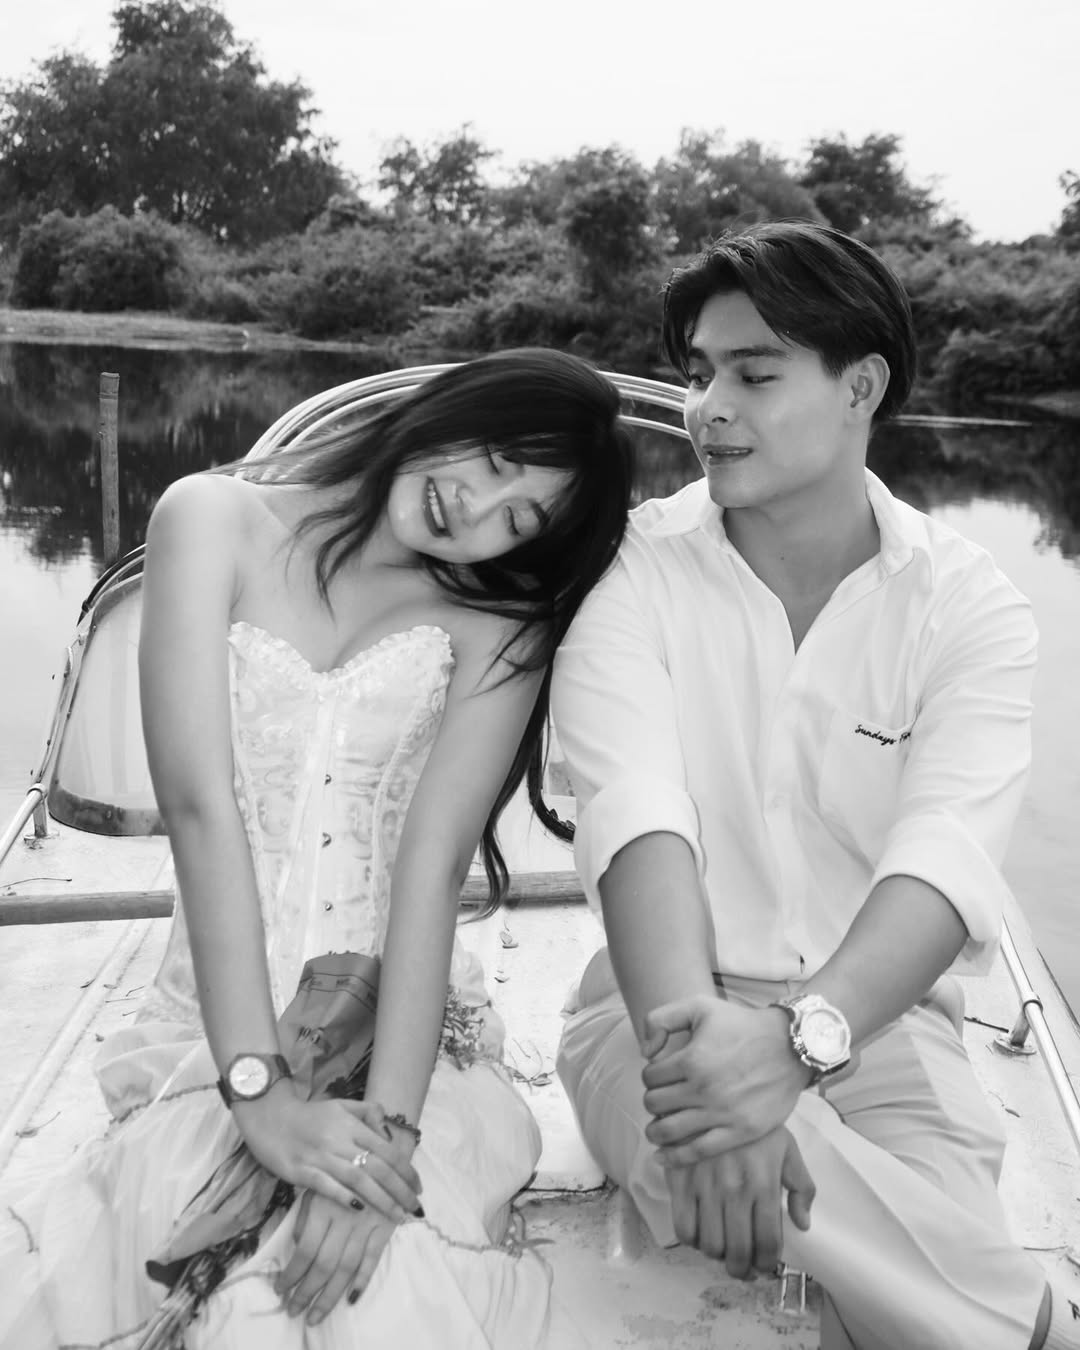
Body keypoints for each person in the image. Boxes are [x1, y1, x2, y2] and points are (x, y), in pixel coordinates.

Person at [0, 348, 633, 1349]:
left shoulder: (496, 625)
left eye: (518, 521)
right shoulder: (208, 519)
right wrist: (259, 1095)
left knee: (349, 1274)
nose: (475, 506)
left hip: (405, 1035)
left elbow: (430, 870)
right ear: (451, 406)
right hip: (213, 1024)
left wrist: (386, 1144)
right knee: (224, 1272)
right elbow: (201, 811)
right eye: (496, 458)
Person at [552, 222, 1080, 1350]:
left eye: (753, 375)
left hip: (881, 1025)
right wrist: (713, 1075)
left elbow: (942, 862)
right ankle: (1036, 1328)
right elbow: (638, 824)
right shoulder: (631, 572)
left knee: (917, 1240)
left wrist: (793, 1049)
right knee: (888, 1247)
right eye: (699, 374)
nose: (706, 409)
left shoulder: (967, 605)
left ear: (861, 388)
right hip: (655, 1015)